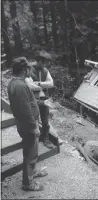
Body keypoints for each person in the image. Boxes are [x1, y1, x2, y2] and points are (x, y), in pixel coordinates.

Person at [7, 57, 47, 191]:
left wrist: (41, 103)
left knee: (32, 152)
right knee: (30, 153)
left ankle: (32, 172)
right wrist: (34, 127)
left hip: (26, 124)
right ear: (24, 70)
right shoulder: (20, 86)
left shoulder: (17, 83)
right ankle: (27, 183)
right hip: (28, 125)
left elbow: (27, 103)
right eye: (28, 68)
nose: (30, 70)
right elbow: (24, 110)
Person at [26, 51, 55, 149]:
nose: (46, 64)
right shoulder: (29, 69)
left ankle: (46, 139)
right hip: (33, 99)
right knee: (34, 120)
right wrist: (43, 85)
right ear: (38, 61)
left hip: (45, 99)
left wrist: (38, 84)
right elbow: (30, 86)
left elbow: (51, 84)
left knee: (45, 121)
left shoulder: (45, 70)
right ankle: (35, 140)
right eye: (44, 62)